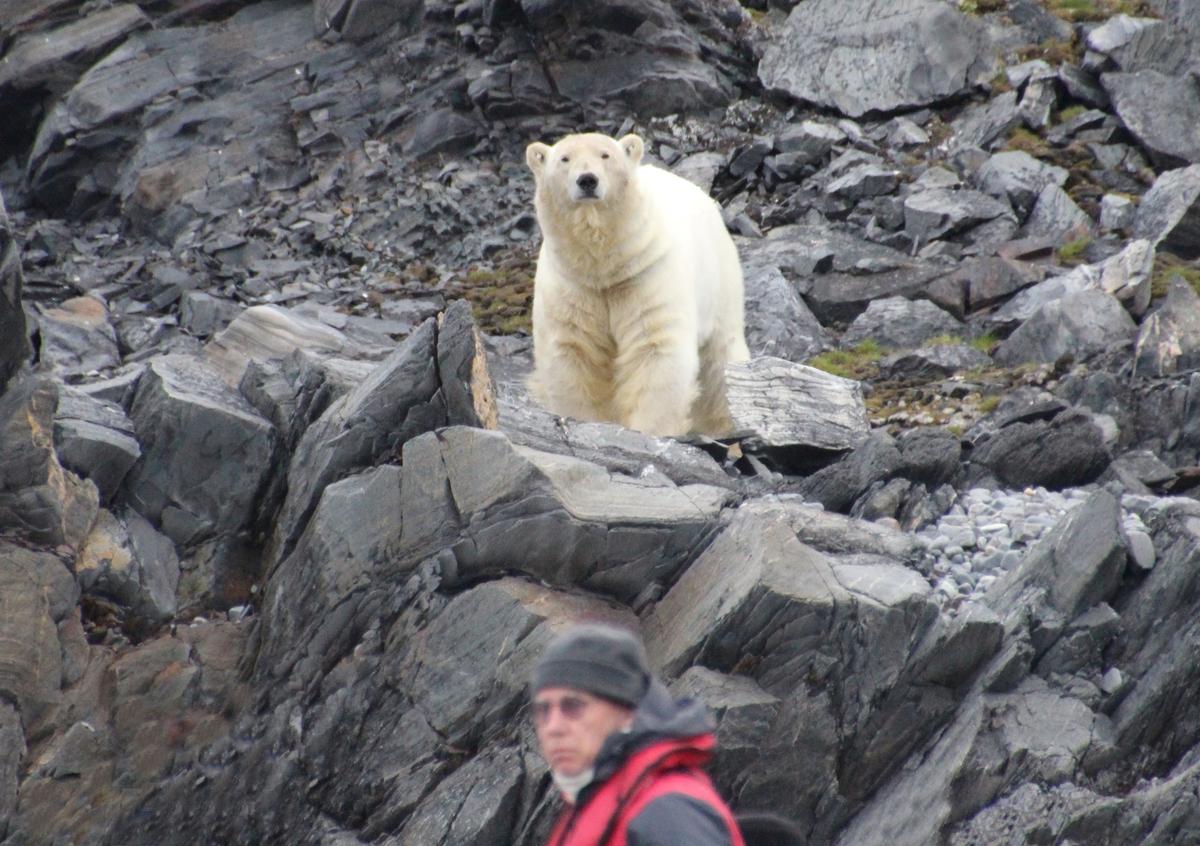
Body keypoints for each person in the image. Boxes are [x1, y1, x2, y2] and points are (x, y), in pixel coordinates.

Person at [530, 622, 746, 846]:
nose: (553, 727)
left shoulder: (667, 812)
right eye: (543, 710)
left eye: (573, 706)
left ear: (625, 711)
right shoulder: (591, 807)